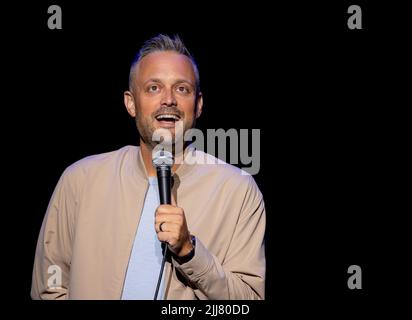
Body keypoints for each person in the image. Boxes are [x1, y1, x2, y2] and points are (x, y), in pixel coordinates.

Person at [31, 34, 266, 300]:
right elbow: (49, 285)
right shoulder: (81, 180)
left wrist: (190, 252)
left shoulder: (237, 190)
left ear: (198, 105)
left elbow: (249, 300)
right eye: (154, 88)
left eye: (182, 89)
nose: (169, 100)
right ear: (131, 102)